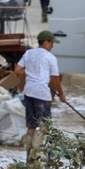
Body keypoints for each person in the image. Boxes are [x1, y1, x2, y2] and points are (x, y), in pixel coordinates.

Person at [15, 30, 67, 158]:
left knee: (31, 126)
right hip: (42, 94)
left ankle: (28, 156)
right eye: (51, 43)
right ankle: (36, 155)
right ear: (46, 42)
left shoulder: (28, 53)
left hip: (29, 92)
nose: (52, 46)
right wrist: (61, 94)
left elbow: (17, 70)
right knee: (44, 126)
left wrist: (30, 74)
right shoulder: (50, 57)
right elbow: (55, 78)